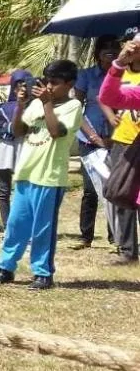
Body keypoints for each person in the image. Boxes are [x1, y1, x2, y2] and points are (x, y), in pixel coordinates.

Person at [0, 60, 82, 290]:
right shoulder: (36, 104)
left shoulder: (73, 106)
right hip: (26, 173)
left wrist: (47, 103)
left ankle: (42, 272)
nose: (49, 86)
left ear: (69, 84)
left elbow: (56, 132)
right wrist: (21, 105)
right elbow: (18, 130)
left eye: (55, 82)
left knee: (43, 228)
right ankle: (5, 267)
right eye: (47, 81)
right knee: (16, 224)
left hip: (49, 177)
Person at [74, 37, 120, 249]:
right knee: (91, 190)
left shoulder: (126, 76)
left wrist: (113, 138)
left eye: (114, 48)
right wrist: (94, 137)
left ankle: (116, 237)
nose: (110, 51)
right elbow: (76, 110)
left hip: (118, 141)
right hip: (89, 140)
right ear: (98, 52)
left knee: (116, 189)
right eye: (106, 48)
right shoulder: (86, 76)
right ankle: (86, 236)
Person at [101, 34, 140, 265]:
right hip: (125, 141)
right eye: (133, 46)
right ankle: (127, 250)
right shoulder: (124, 72)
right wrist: (119, 63)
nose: (135, 50)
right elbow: (107, 96)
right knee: (123, 193)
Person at [0, 69, 33, 225]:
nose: (21, 89)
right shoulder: (4, 107)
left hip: (25, 148)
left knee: (23, 189)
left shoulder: (35, 107)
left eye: (25, 85)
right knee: (4, 190)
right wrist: (12, 129)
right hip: (6, 149)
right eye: (18, 85)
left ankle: (21, 224)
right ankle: (6, 225)